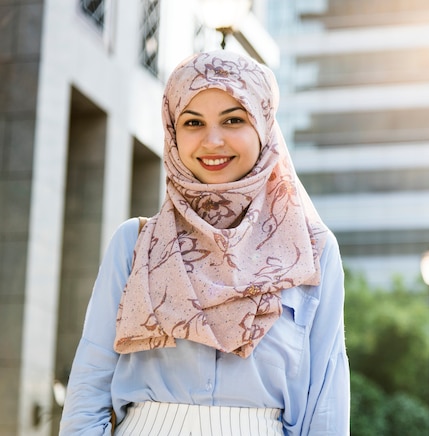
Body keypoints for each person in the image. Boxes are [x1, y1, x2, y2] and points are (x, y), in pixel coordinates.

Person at [59, 50, 350, 435]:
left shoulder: (311, 252)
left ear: (264, 128)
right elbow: (89, 385)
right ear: (173, 134)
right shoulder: (135, 243)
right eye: (193, 122)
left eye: (233, 119)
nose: (213, 141)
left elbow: (325, 403)